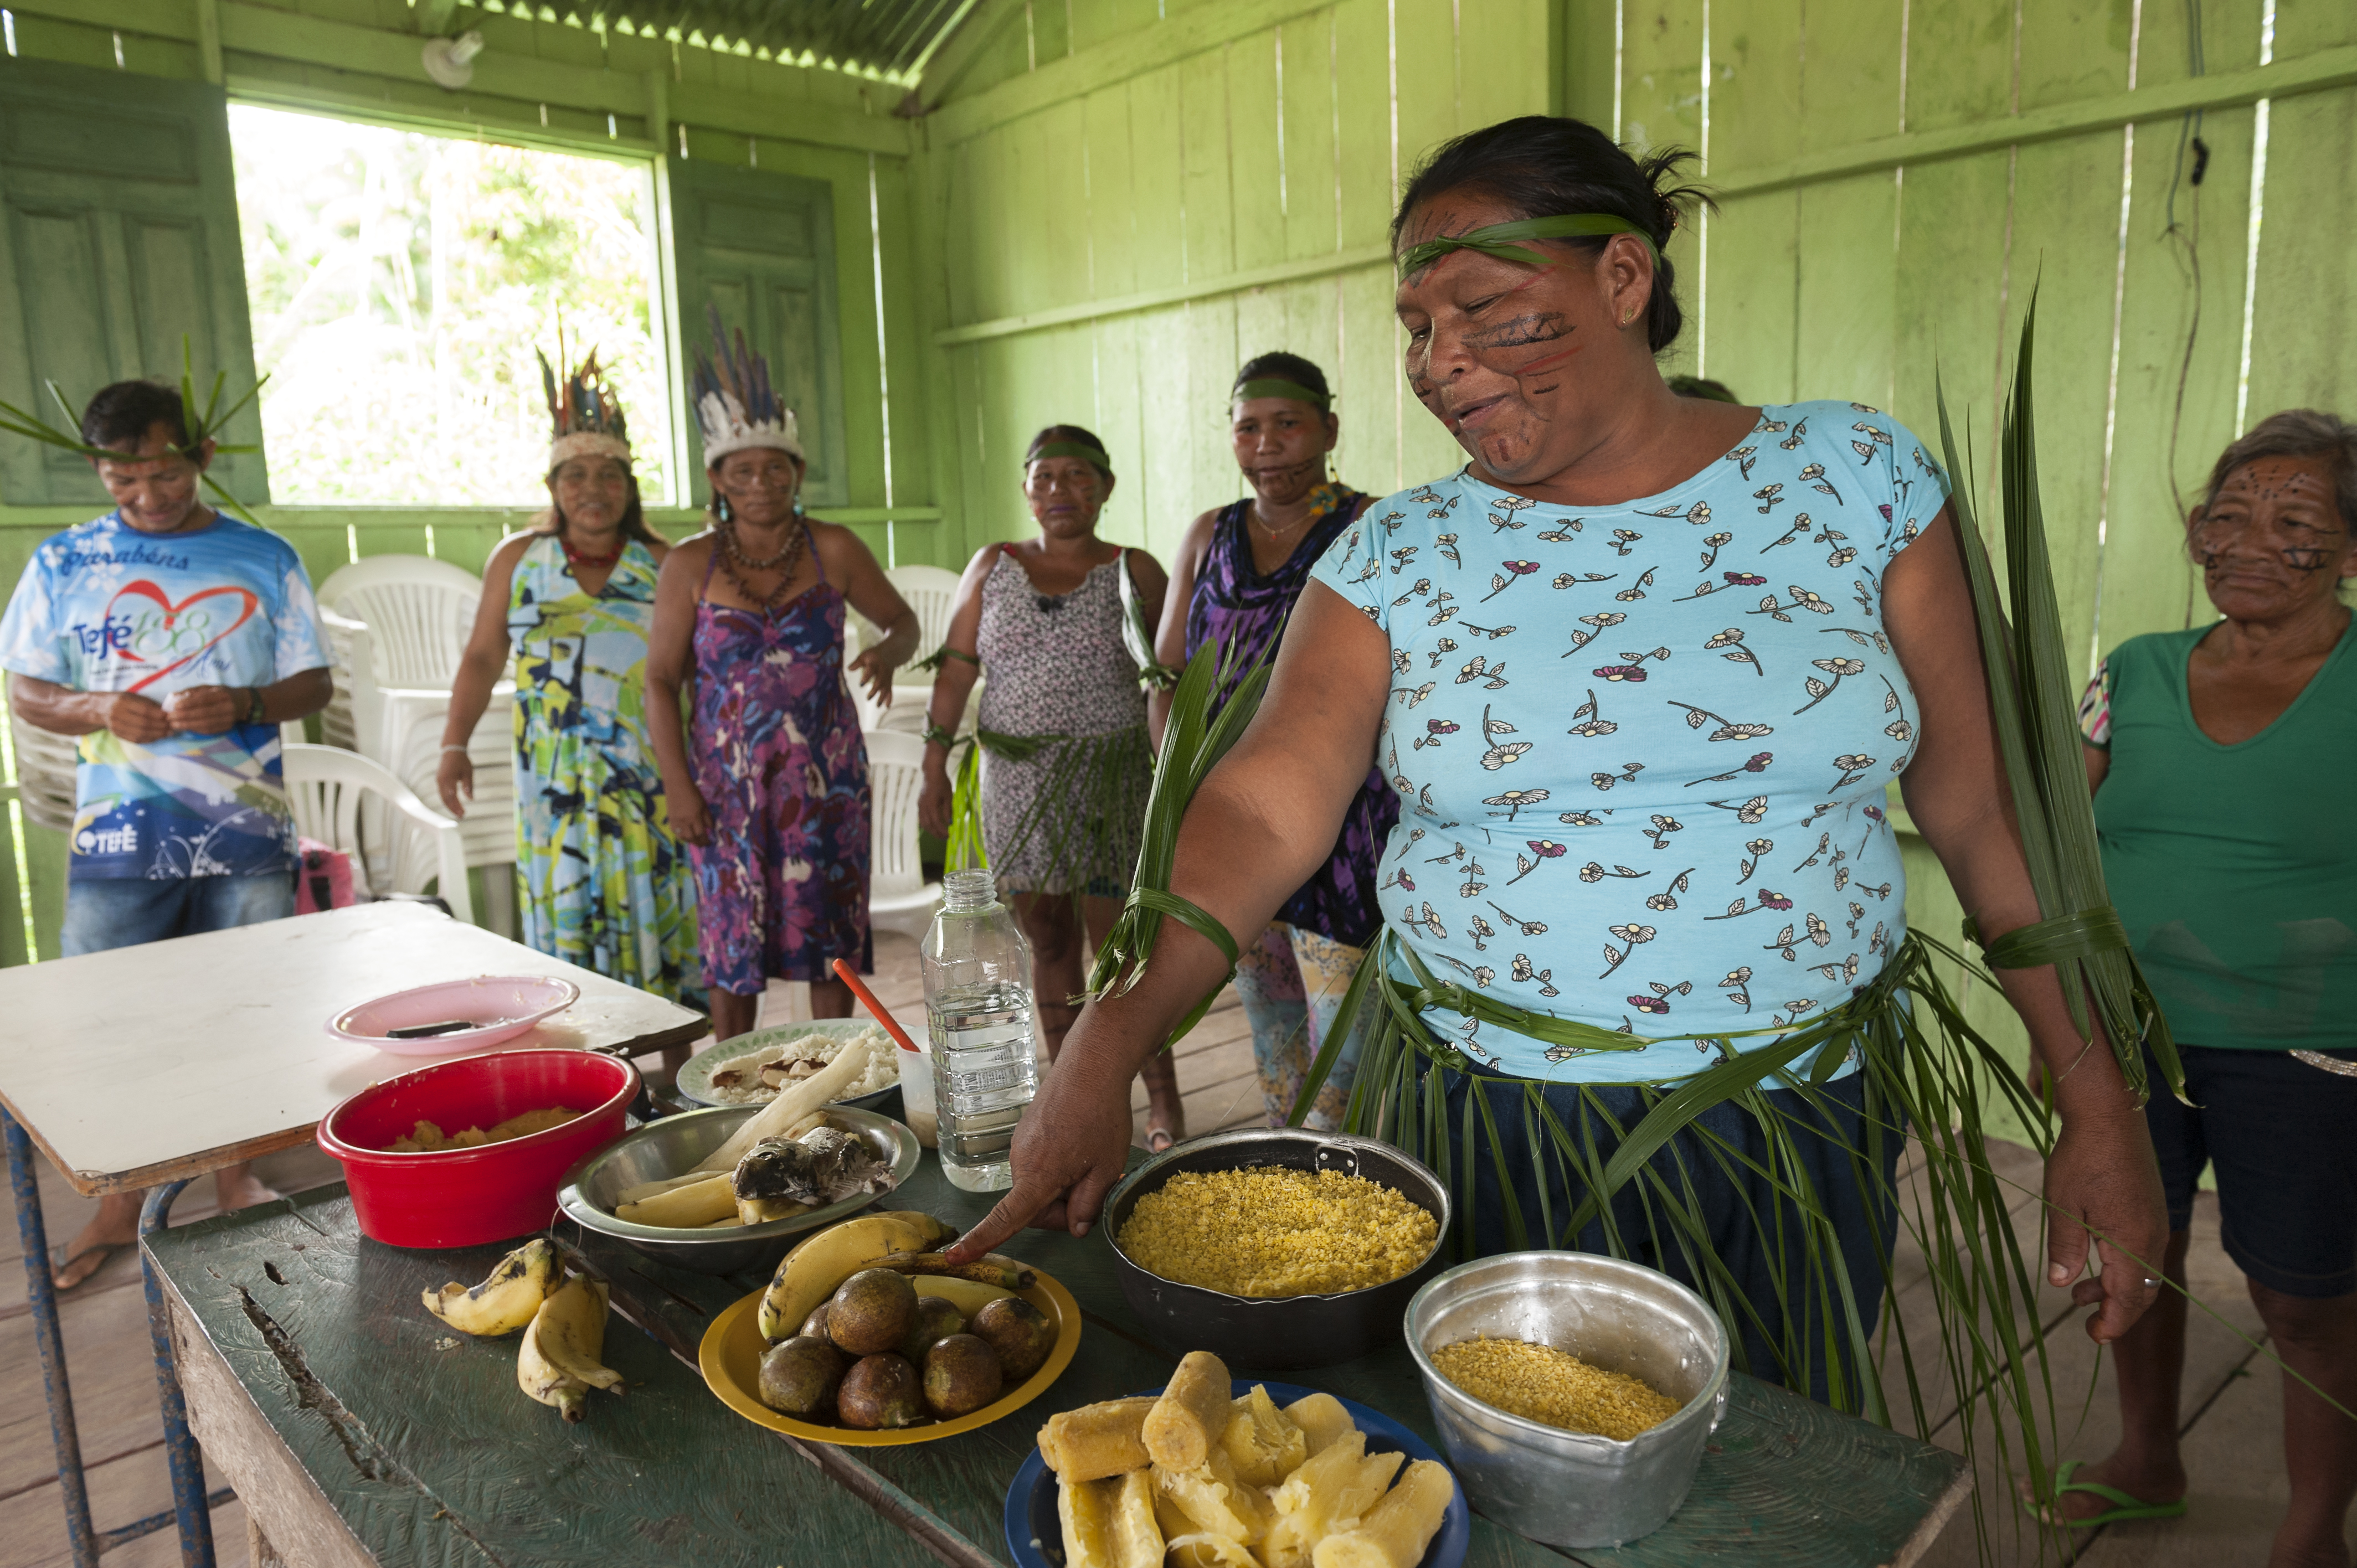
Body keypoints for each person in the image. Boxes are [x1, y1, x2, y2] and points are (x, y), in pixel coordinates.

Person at [949, 115, 2169, 1408]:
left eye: (1485, 308)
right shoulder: (1390, 557)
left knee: (1766, 1454)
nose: (1444, 361)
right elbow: (1259, 808)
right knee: (1513, 1456)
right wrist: (1102, 1044)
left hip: (1799, 1116)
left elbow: (1979, 807)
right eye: (1419, 326)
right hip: (1500, 1121)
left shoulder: (1855, 481)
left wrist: (2099, 1096)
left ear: (1625, 280)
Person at [2046, 410, 2357, 1562]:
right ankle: (2147, 1459)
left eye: (2293, 523)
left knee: (2303, 1302)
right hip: (2130, 1038)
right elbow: (2054, 846)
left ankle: (2315, 1524)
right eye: (2225, 516)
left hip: (2312, 1044)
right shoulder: (2131, 672)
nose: (2247, 541)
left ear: (2349, 550)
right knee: (2132, 1256)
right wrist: (2066, 1021)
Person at [0, 378, 332, 1289]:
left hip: (246, 826)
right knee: (109, 1018)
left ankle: (237, 1173)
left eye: (164, 473)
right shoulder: (65, 561)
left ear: (202, 456)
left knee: (251, 1000)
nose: (147, 497)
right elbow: (25, 685)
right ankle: (119, 1196)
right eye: (123, 481)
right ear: (101, 473)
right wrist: (97, 704)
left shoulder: (261, 556)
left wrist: (252, 701)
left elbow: (314, 682)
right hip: (116, 832)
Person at [646, 318, 918, 1042]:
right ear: (717, 479)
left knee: (831, 937)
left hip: (825, 780)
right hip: (724, 787)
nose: (760, 484)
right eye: (743, 471)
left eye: (776, 469)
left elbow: (904, 624)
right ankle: (732, 1078)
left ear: (797, 473)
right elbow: (659, 680)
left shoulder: (835, 548)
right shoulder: (689, 566)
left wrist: (888, 655)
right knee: (731, 943)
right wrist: (678, 785)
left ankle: (831, 1075)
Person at [918, 426, 1186, 1150]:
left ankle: (1163, 1104)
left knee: (1123, 950)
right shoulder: (993, 565)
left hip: (1110, 785)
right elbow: (957, 670)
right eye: (1044, 478)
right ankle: (1074, 1093)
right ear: (1026, 490)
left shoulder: (1135, 570)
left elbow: (1173, 679)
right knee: (1047, 938)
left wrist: (1183, 778)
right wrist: (931, 764)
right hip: (1017, 782)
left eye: (1077, 477)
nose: (1060, 491)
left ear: (1106, 488)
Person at [1149, 356, 1397, 1128]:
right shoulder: (1208, 535)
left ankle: (1346, 1183)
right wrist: (1176, 789)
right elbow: (1165, 674)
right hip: (1233, 826)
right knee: (1273, 1025)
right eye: (1249, 428)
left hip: (1340, 824)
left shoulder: (1369, 525)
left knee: (1345, 1049)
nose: (1269, 445)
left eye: (1288, 424)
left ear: (1328, 429)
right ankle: (1291, 1172)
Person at [438, 353, 699, 1008]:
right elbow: (480, 658)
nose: (593, 489)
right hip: (553, 784)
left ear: (630, 486)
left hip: (648, 779)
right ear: (553, 485)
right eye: (576, 475)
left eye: (610, 475)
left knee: (661, 915)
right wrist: (453, 745)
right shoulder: (520, 560)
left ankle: (673, 1076)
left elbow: (698, 671)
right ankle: (595, 1069)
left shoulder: (664, 564)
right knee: (569, 919)